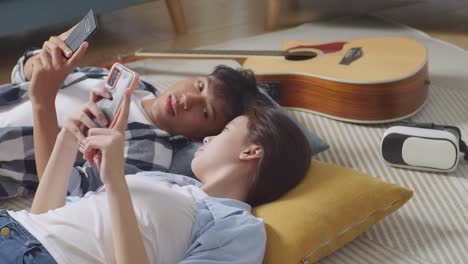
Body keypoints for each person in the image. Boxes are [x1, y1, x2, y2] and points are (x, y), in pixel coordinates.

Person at [0, 82, 312, 263]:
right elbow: (43, 215)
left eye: (224, 130)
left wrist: (117, 186)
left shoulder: (238, 227)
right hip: (14, 225)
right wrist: (68, 139)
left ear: (251, 151)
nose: (207, 137)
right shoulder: (161, 179)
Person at [0, 26, 260, 198]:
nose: (187, 99)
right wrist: (40, 62)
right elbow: (19, 77)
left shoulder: (151, 153)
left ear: (200, 136)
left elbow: (61, 193)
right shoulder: (132, 82)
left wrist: (42, 103)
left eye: (205, 112)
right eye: (199, 85)